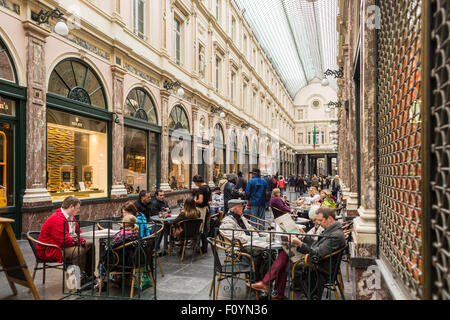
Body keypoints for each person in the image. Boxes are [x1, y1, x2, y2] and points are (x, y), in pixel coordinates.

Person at [249, 207, 344, 300]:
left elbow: (317, 253)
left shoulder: (335, 235)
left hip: (320, 268)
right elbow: (316, 245)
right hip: (317, 261)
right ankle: (274, 292)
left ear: (330, 219)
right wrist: (304, 237)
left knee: (286, 259)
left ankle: (268, 285)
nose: (318, 223)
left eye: (320, 220)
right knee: (285, 255)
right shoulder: (332, 230)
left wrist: (300, 243)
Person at [36, 196, 93, 284]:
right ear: (71, 207)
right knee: (79, 250)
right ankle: (79, 279)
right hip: (51, 249)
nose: (79, 210)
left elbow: (78, 233)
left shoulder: (71, 218)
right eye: (77, 208)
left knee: (90, 243)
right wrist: (79, 241)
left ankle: (90, 274)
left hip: (64, 245)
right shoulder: (57, 219)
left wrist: (81, 240)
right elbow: (63, 240)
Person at [193, 174, 211, 254]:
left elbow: (200, 201)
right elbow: (210, 199)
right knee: (205, 228)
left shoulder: (201, 189)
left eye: (195, 183)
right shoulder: (208, 187)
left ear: (197, 182)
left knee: (201, 228)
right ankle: (205, 246)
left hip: (201, 210)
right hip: (207, 208)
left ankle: (203, 248)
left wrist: (194, 201)